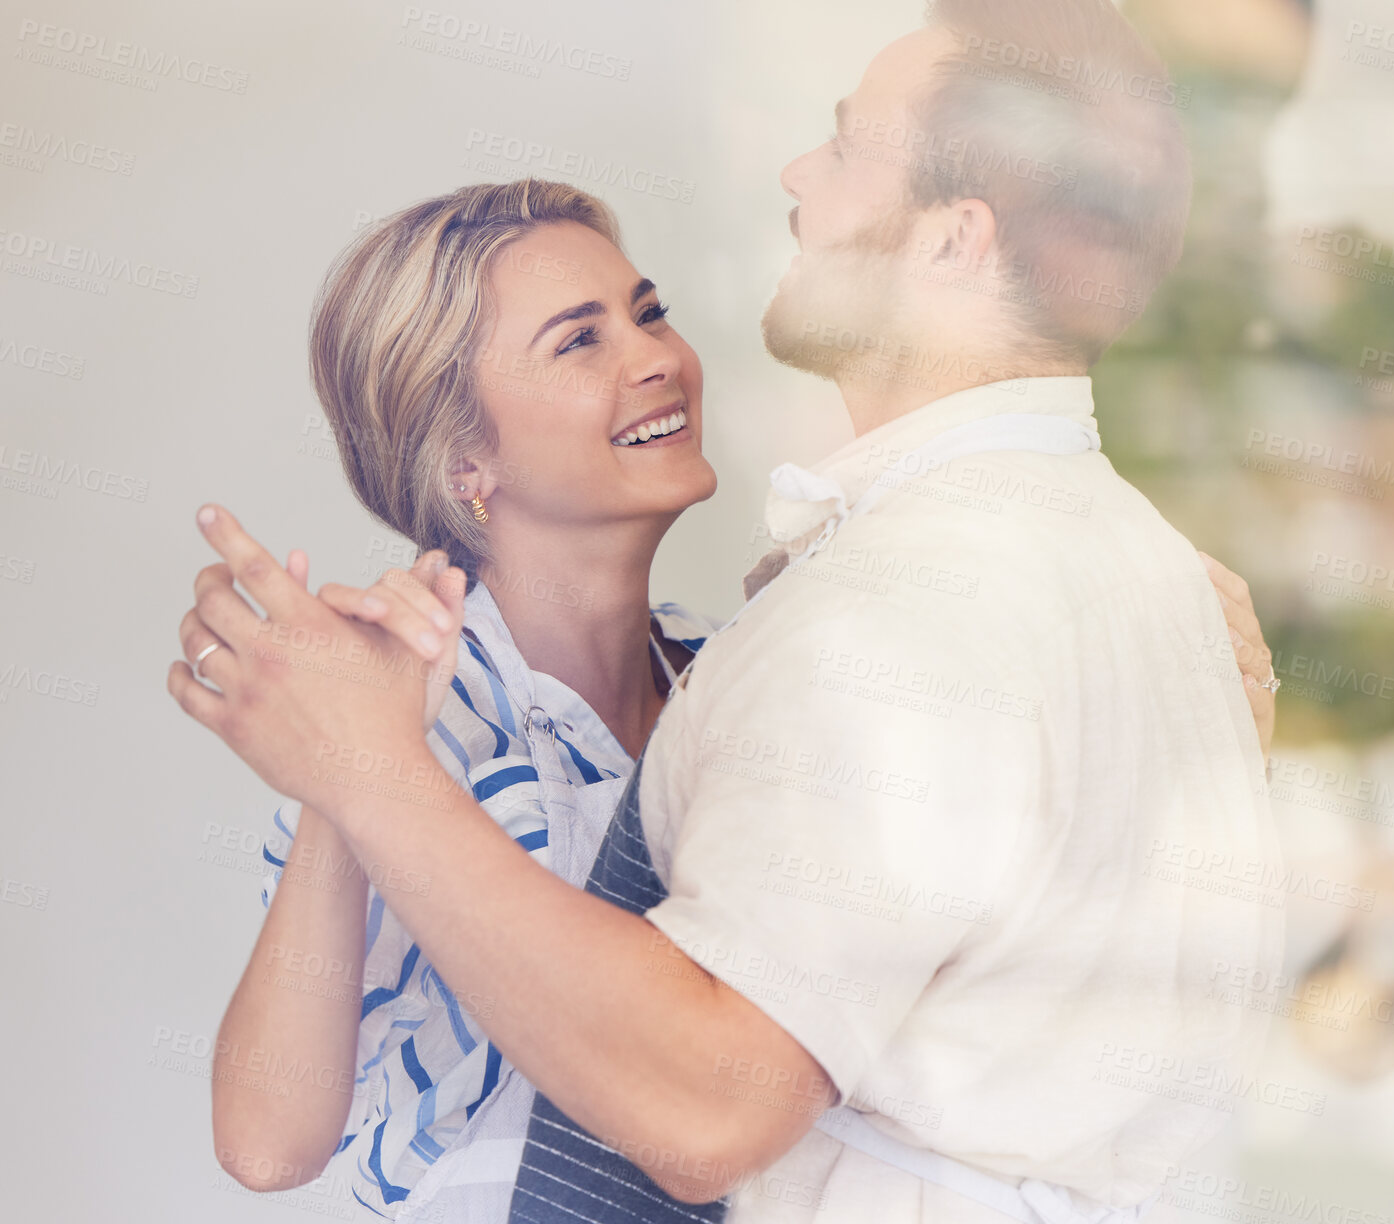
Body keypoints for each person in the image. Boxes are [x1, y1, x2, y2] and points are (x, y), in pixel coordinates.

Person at [180, 173, 1279, 1220]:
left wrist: (1165, 707)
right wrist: (349, 768)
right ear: (467, 460)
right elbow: (269, 1143)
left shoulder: (747, 672)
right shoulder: (424, 707)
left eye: (646, 313)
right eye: (580, 340)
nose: (655, 357)